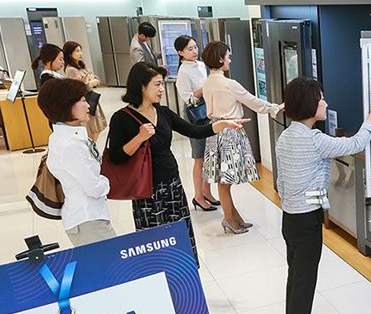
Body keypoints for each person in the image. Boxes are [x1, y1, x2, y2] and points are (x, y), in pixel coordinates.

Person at [275, 76, 371, 314]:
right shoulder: (315, 140)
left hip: (290, 217)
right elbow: (355, 144)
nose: (325, 103)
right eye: (321, 98)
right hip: (307, 219)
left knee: (297, 275)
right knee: (305, 279)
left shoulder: (286, 136)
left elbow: (281, 183)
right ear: (309, 104)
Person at [105, 63, 244, 262]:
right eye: (157, 84)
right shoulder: (121, 118)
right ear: (141, 86)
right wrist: (139, 138)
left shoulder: (163, 112)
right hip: (146, 190)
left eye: (162, 84)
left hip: (172, 184)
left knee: (180, 237)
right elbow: (116, 157)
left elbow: (194, 131)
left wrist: (222, 124)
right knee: (154, 242)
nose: (162, 89)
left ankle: (185, 273)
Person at [201, 41, 281, 234]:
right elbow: (252, 101)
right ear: (220, 59)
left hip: (214, 131)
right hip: (230, 132)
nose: (230, 60)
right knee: (225, 182)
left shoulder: (207, 83)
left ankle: (235, 218)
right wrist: (274, 107)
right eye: (228, 57)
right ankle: (229, 219)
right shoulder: (229, 84)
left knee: (223, 181)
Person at [38, 78, 115, 246]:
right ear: (65, 105)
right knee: (110, 261)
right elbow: (94, 188)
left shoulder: (66, 136)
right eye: (82, 101)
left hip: (89, 217)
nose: (88, 105)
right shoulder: (70, 145)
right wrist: (106, 181)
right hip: (88, 220)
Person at [174, 35, 219, 212]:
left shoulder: (201, 65)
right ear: (180, 52)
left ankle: (207, 192)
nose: (194, 51)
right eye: (189, 49)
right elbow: (189, 100)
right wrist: (204, 88)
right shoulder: (183, 72)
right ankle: (198, 196)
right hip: (196, 117)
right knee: (199, 157)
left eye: (195, 47)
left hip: (209, 113)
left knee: (210, 156)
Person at [62, 41, 107, 141]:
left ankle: (93, 145)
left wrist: (91, 82)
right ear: (70, 54)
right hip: (84, 99)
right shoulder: (71, 70)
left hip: (91, 97)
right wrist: (91, 82)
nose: (80, 53)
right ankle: (91, 146)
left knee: (97, 126)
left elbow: (94, 77)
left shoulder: (82, 65)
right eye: (77, 51)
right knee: (91, 127)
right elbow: (80, 86)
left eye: (80, 50)